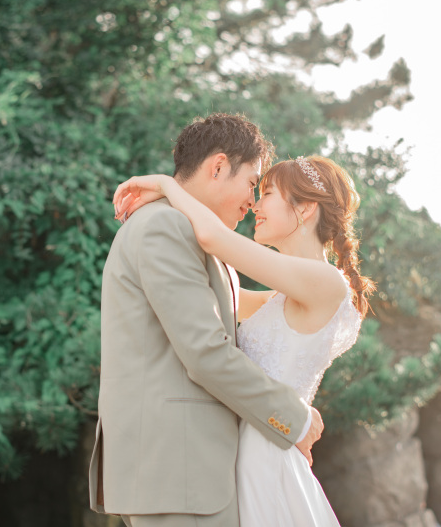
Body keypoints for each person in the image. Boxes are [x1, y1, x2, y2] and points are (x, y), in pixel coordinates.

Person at [111, 154, 374, 526]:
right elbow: (215, 282)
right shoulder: (279, 300)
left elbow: (213, 238)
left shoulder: (326, 283)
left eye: (267, 194)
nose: (255, 205)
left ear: (306, 208)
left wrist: (168, 186)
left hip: (267, 455)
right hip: (242, 449)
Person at [88, 113, 324, 527]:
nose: (253, 202)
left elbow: (258, 308)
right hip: (178, 472)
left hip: (188, 474)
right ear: (218, 167)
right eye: (252, 182)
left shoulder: (194, 236)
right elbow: (205, 353)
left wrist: (319, 295)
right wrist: (295, 417)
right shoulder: (165, 227)